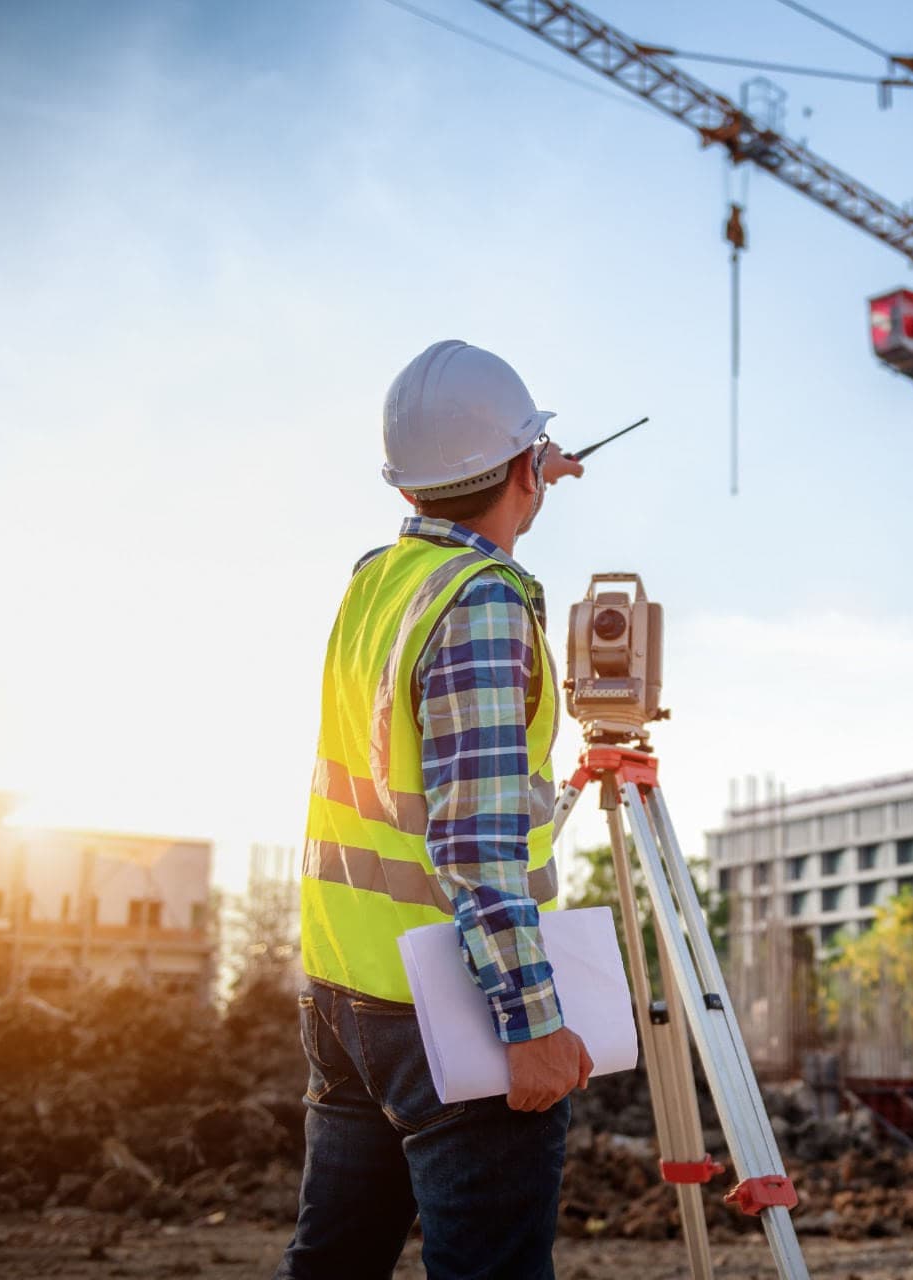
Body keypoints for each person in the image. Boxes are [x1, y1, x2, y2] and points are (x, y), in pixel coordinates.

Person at [276, 340, 592, 1280]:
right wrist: (532, 1025)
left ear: (407, 483)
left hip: (344, 992)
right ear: (523, 469)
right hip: (452, 1009)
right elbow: (475, 843)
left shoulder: (377, 581)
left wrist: (525, 474)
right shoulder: (483, 604)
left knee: (331, 1266)